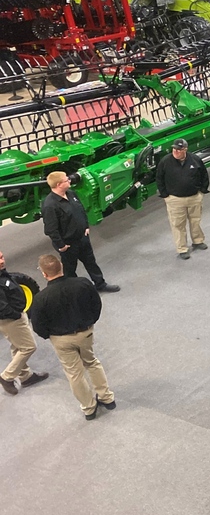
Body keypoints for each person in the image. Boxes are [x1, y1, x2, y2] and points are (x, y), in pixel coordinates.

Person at [29, 254, 114, 420]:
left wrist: (51, 336)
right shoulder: (82, 283)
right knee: (92, 362)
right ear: (61, 266)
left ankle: (89, 408)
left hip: (61, 339)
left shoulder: (40, 299)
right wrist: (90, 323)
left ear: (44, 274)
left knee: (74, 374)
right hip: (85, 333)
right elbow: (96, 304)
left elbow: (38, 325)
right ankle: (107, 398)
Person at [40, 171, 120, 293]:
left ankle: (100, 284)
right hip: (68, 244)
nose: (70, 181)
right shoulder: (50, 205)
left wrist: (85, 226)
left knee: (91, 262)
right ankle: (75, 291)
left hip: (82, 238)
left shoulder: (71, 194)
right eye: (66, 180)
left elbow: (81, 210)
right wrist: (61, 245)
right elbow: (51, 229)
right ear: (58, 184)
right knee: (70, 270)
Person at [0, 250, 49, 396]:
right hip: (11, 320)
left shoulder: (3, 273)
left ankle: (25, 376)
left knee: (17, 346)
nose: (2, 261)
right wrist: (16, 315)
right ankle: (7, 377)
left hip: (15, 316)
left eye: (1, 257)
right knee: (29, 347)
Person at [156, 138, 210, 260]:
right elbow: (159, 179)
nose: (175, 151)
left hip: (194, 197)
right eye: (174, 148)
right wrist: (165, 195)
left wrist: (202, 191)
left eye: (178, 149)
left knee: (195, 221)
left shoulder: (195, 160)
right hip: (175, 200)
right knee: (178, 225)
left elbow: (204, 175)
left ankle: (198, 241)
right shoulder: (165, 162)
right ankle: (182, 248)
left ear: (185, 149)